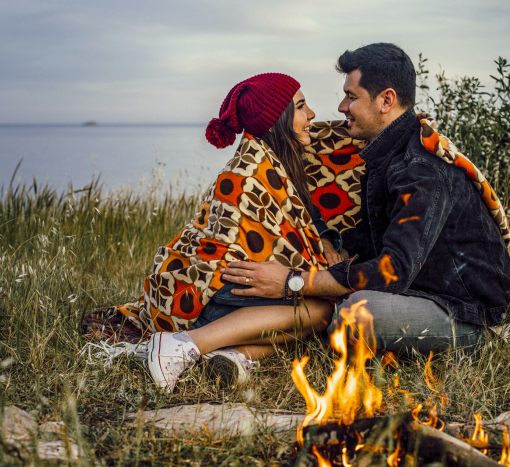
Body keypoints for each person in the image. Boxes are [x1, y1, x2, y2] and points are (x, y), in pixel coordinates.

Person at [222, 43, 510, 356]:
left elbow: (394, 269)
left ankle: (246, 348)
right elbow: (375, 240)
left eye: (352, 97)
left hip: (472, 317)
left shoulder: (422, 169)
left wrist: (294, 281)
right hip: (423, 293)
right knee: (330, 296)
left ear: (386, 100)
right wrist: (326, 248)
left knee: (352, 314)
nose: (341, 107)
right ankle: (235, 355)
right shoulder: (390, 154)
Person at [83, 73, 345, 393]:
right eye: (302, 107)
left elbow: (302, 226)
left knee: (313, 314)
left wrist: (327, 242)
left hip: (230, 285)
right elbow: (272, 255)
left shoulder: (275, 162)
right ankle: (183, 344)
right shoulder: (249, 172)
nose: (312, 115)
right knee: (319, 309)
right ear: (277, 118)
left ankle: (233, 357)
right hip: (208, 293)